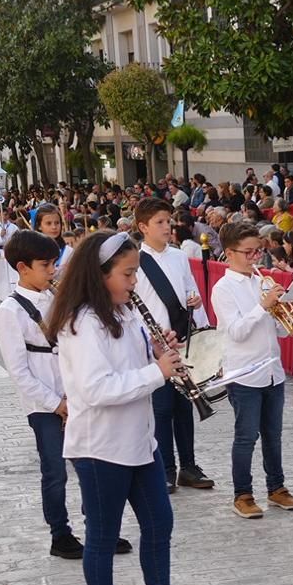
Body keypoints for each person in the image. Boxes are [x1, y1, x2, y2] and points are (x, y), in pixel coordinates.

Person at [46, 230, 218, 585]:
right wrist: (157, 371)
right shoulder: (82, 323)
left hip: (140, 440)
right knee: (103, 538)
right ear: (100, 274)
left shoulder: (126, 313)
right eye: (127, 273)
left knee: (160, 525)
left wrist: (158, 352)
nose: (134, 281)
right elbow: (96, 389)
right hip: (100, 447)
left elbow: (133, 366)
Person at [0, 230, 131, 560]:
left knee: (90, 466)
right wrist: (56, 404)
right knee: (55, 471)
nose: (53, 271)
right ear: (23, 267)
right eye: (45, 265)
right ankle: (60, 533)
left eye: (54, 263)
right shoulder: (10, 311)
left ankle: (99, 527)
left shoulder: (59, 298)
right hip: (44, 404)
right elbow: (19, 372)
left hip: (77, 396)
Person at [211, 220, 293, 519]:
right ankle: (242, 494)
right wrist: (263, 306)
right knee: (246, 436)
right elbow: (236, 331)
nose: (255, 258)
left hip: (272, 369)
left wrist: (287, 311)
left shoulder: (261, 282)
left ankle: (276, 488)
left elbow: (280, 331)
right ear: (229, 253)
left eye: (258, 251)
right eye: (248, 252)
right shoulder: (223, 289)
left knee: (273, 435)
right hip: (244, 373)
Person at [134, 197, 213, 492]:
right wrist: (148, 342)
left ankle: (188, 467)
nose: (167, 227)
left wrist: (196, 306)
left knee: (184, 406)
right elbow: (133, 307)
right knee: (162, 408)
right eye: (160, 222)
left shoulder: (179, 257)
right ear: (143, 227)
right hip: (155, 345)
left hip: (181, 338)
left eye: (168, 221)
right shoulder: (136, 261)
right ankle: (165, 468)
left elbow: (190, 291)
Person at [0, 211, 19, 299]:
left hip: (11, 251)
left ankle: (13, 293)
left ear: (8, 215)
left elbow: (18, 240)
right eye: (1, 215)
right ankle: (2, 295)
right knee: (1, 274)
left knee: (13, 273)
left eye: (5, 214)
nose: (4, 217)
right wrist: (0, 236)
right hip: (0, 252)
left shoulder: (14, 227)